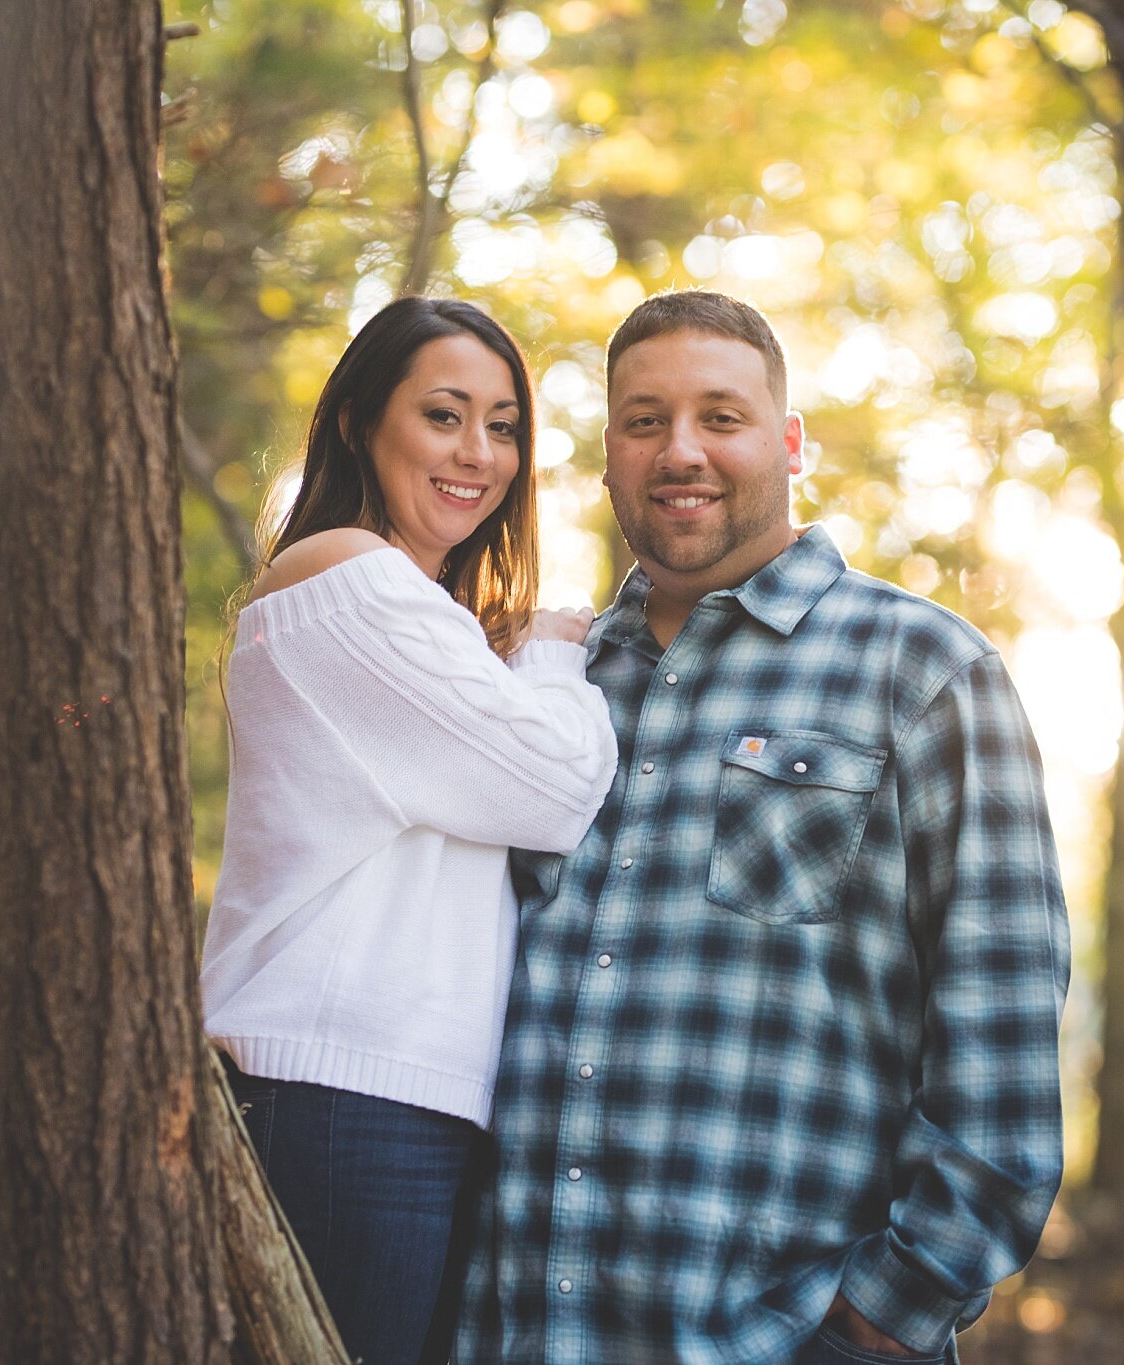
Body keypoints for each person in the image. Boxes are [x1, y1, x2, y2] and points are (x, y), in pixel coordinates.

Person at [455, 291, 1071, 1364]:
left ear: (787, 444)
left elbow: (1001, 1052)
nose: (678, 450)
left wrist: (880, 1320)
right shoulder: (543, 687)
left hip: (778, 1342)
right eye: (643, 421)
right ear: (607, 454)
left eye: (719, 417)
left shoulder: (921, 670)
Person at [200, 296, 618, 1365]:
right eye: (442, 414)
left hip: (383, 1096)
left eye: (503, 424)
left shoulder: (412, 611)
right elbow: (559, 788)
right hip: (339, 1090)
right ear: (355, 423)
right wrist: (554, 650)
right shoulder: (346, 583)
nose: (477, 453)